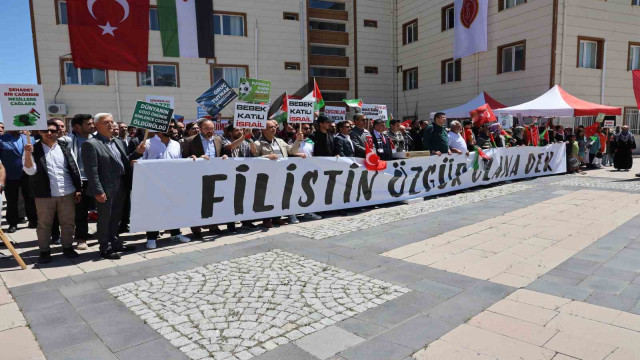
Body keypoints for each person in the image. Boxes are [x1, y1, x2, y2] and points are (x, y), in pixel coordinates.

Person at [23, 120, 82, 264]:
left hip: (67, 192)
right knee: (44, 224)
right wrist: (27, 154)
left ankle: (67, 247)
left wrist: (78, 189)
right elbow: (30, 171)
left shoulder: (65, 147)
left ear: (57, 132)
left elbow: (75, 168)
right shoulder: (33, 149)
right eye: (45, 130)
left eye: (52, 130)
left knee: (68, 223)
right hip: (44, 195)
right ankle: (44, 251)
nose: (49, 133)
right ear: (40, 132)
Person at [82, 113, 137, 259]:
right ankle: (104, 248)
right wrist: (98, 191)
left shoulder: (118, 141)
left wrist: (137, 153)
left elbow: (125, 161)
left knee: (117, 217)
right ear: (97, 125)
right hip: (105, 188)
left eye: (112, 122)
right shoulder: (91, 144)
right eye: (106, 122)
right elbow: (91, 171)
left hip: (121, 185)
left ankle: (116, 243)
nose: (111, 125)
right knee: (105, 219)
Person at [135, 128, 191, 249]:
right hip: (153, 184)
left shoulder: (176, 144)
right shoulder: (147, 143)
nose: (171, 129)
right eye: (168, 126)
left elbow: (178, 162)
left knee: (174, 209)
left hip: (172, 183)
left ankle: (175, 233)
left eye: (172, 126)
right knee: (154, 211)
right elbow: (139, 161)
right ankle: (151, 237)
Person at [251, 120, 302, 228]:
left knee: (279, 196)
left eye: (275, 126)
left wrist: (298, 140)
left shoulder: (280, 141)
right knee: (267, 197)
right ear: (263, 129)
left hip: (281, 173)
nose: (274, 128)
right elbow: (253, 159)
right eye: (271, 127)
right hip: (266, 176)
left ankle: (276, 218)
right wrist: (266, 157)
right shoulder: (257, 143)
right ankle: (266, 219)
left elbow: (292, 151)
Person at [182, 119, 227, 237]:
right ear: (201, 129)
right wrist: (196, 157)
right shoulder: (189, 141)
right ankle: (196, 228)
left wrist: (225, 156)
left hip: (214, 175)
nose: (210, 131)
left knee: (212, 201)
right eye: (207, 129)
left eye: (212, 129)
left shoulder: (218, 139)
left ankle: (213, 225)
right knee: (196, 203)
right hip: (196, 177)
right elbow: (184, 158)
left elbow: (221, 153)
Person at [67, 114, 95, 250]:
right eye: (88, 124)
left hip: (96, 180)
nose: (92, 126)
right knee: (81, 212)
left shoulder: (97, 139)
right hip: (80, 181)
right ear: (77, 127)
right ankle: (81, 237)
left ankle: (103, 235)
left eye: (92, 123)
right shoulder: (68, 141)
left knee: (101, 210)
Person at [0, 130, 37, 232]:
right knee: (12, 200)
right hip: (10, 174)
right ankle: (12, 223)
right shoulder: (2, 139)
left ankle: (33, 220)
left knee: (30, 198)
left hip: (28, 173)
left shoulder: (29, 138)